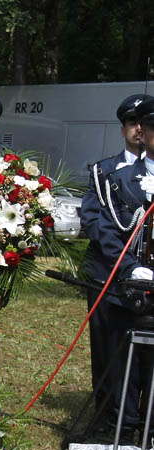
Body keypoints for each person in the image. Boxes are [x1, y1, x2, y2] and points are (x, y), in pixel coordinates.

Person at [81, 95, 154, 432]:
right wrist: (127, 266)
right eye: (134, 123)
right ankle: (110, 419)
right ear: (124, 128)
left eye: (146, 124)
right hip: (109, 277)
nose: (140, 130)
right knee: (111, 351)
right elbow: (98, 224)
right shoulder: (106, 172)